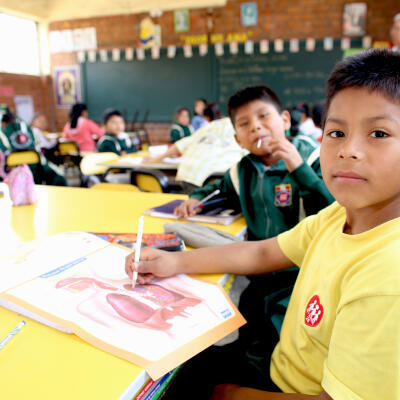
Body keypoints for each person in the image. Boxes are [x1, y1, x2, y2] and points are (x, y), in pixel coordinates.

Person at [125, 49, 400, 400]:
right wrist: (174, 262)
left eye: (378, 133)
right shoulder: (339, 215)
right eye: (336, 133)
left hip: (288, 388)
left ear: (286, 121)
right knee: (173, 363)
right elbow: (264, 251)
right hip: (281, 362)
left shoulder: (388, 277)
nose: (349, 150)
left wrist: (230, 395)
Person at [175, 85, 333, 345]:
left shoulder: (315, 155)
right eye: (244, 123)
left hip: (303, 273)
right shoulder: (241, 171)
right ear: (238, 139)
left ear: (284, 120)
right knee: (241, 331)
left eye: (263, 116)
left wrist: (299, 168)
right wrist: (195, 197)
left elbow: (333, 211)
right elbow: (217, 188)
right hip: (257, 270)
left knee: (284, 336)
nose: (256, 127)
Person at [146, 103, 247, 193]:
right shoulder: (242, 127)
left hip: (190, 175)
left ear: (206, 118)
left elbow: (181, 144)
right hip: (218, 180)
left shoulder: (210, 126)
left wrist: (157, 158)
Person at [0, 108, 67, 186]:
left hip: (13, 174)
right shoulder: (28, 130)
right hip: (36, 170)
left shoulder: (3, 134)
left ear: (3, 123)